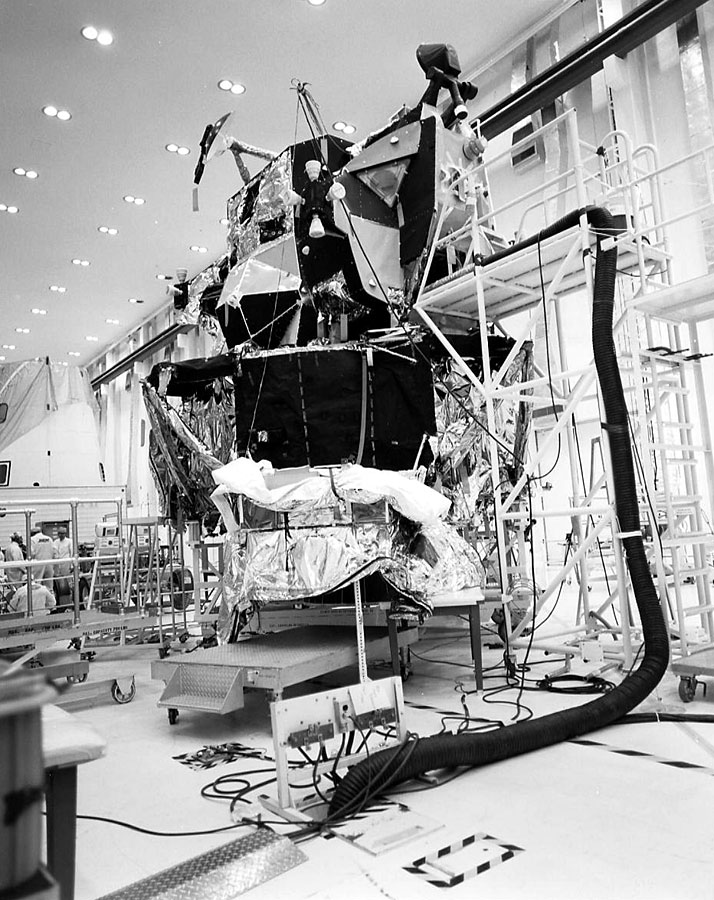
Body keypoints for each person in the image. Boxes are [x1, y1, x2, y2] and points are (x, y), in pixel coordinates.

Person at [31, 525, 56, 590]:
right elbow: (54, 552)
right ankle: (49, 595)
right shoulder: (49, 539)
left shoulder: (32, 540)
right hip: (49, 564)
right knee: (49, 585)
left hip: (37, 565)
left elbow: (31, 554)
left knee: (37, 585)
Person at [53, 526, 74, 604]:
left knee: (69, 583)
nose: (61, 535)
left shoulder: (69, 541)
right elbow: (54, 553)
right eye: (60, 533)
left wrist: (72, 565)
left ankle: (70, 600)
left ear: (65, 534)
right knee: (59, 582)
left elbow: (72, 553)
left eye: (63, 533)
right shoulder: (55, 542)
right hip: (58, 564)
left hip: (67, 563)